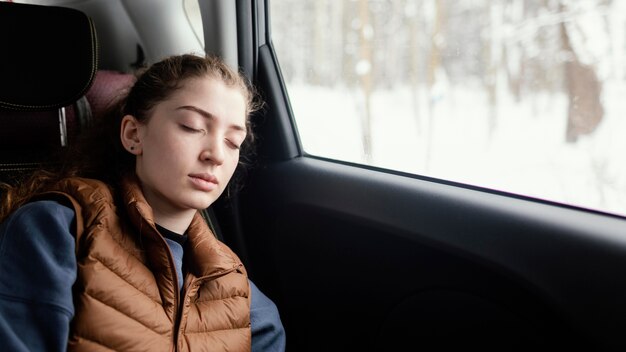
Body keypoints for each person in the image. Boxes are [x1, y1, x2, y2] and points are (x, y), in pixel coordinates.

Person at [0, 54, 286, 352]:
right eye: (191, 126)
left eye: (232, 142)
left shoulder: (248, 305)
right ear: (133, 134)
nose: (216, 154)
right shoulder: (56, 231)